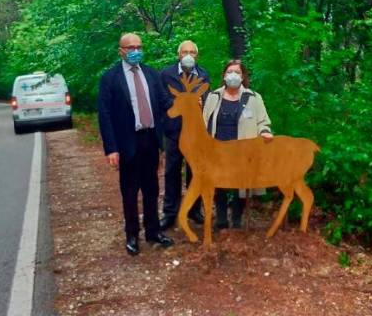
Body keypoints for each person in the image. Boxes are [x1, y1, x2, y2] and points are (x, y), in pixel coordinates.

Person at [97, 33, 174, 256]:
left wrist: (187, 102)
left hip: (151, 139)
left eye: (139, 46)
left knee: (152, 188)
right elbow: (105, 114)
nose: (135, 51)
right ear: (121, 50)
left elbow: (164, 101)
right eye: (131, 47)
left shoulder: (151, 74)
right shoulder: (110, 78)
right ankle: (132, 235)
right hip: (127, 142)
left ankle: (153, 231)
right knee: (130, 191)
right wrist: (111, 148)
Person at [202, 59, 273, 229]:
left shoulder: (253, 98)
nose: (233, 75)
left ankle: (236, 219)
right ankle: (221, 219)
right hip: (218, 148)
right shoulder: (213, 97)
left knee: (240, 185)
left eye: (237, 72)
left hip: (242, 150)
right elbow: (203, 122)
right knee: (219, 184)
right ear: (224, 75)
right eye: (229, 72)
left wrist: (264, 131)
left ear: (243, 77)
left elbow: (263, 121)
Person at [159, 40, 210, 230]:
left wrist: (200, 101)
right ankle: (170, 212)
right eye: (185, 52)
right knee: (172, 171)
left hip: (196, 134)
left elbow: (207, 98)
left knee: (195, 172)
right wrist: (184, 102)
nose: (188, 55)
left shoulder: (204, 74)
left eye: (192, 52)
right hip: (174, 131)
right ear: (178, 54)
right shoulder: (166, 74)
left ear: (197, 55)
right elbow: (163, 99)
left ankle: (194, 210)